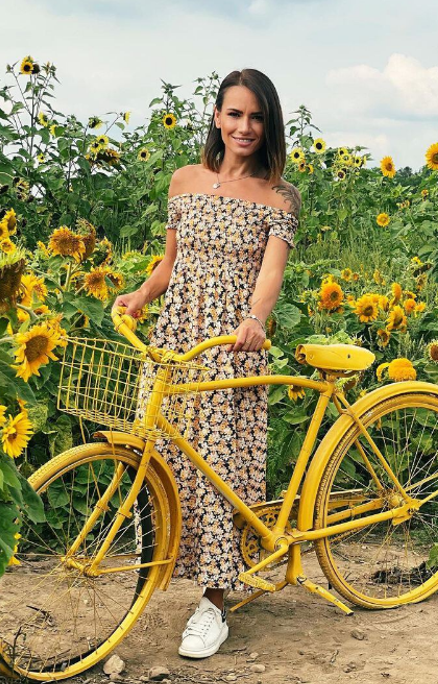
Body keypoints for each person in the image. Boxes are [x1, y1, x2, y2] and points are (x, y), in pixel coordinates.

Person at [113, 69, 300, 660]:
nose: (244, 127)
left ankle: (215, 603)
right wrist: (140, 296)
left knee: (219, 466)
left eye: (256, 116)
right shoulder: (185, 180)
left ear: (267, 124)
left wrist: (255, 320)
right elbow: (171, 263)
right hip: (174, 339)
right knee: (164, 454)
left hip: (227, 344)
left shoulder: (279, 195)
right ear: (217, 117)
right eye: (235, 114)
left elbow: (271, 273)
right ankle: (173, 564)